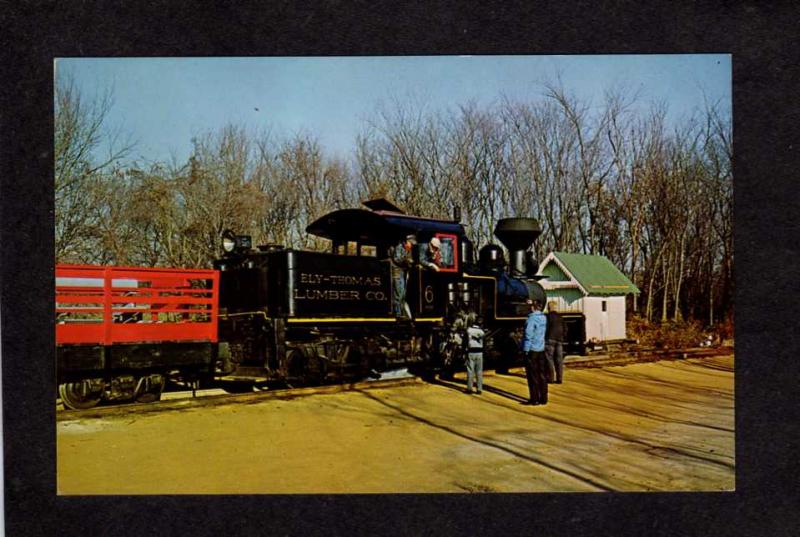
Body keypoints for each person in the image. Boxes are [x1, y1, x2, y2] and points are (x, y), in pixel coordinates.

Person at [521, 299, 548, 405]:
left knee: (532, 375)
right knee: (542, 374)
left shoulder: (531, 319)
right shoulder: (543, 318)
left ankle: (534, 398)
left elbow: (528, 335)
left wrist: (526, 349)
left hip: (532, 349)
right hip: (541, 348)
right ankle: (544, 398)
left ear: (533, 307)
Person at [389, 234, 416, 317]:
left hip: (403, 273)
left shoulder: (409, 250)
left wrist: (410, 263)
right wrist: (406, 260)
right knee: (399, 293)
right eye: (411, 243)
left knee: (403, 293)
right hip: (397, 272)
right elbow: (397, 259)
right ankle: (397, 313)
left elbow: (409, 262)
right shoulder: (399, 247)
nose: (412, 245)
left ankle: (401, 312)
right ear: (407, 242)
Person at [545, 301, 565, 384]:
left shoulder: (547, 317)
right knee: (559, 359)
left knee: (549, 359)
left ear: (548, 308)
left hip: (550, 339)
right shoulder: (561, 317)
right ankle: (559, 378)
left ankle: (550, 378)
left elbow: (545, 328)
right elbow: (565, 328)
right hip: (559, 340)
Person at [464, 315, 485, 395]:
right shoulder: (482, 331)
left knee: (470, 370)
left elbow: (465, 342)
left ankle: (469, 388)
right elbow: (484, 342)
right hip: (479, 352)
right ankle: (479, 389)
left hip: (470, 352)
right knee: (479, 371)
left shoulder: (468, 330)